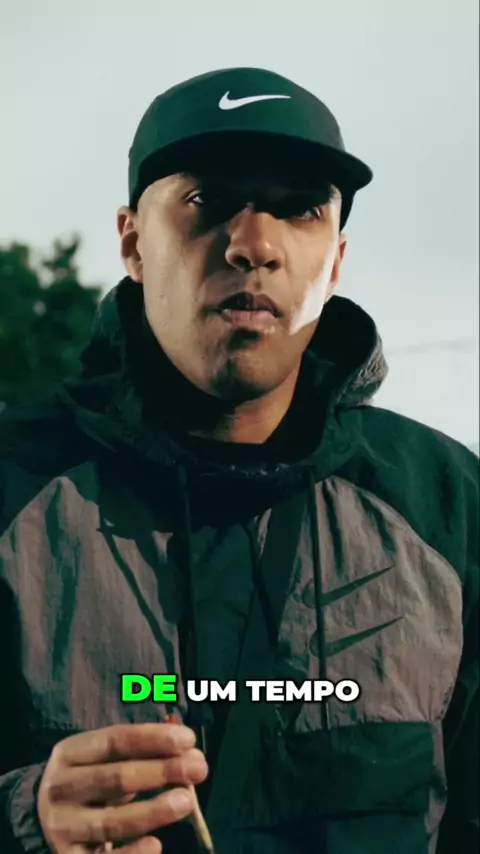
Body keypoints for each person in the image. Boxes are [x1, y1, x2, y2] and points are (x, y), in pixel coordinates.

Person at [0, 66, 478, 854]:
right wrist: (24, 818)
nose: (253, 245)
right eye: (207, 199)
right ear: (133, 242)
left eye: (301, 208)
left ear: (336, 260)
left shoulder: (447, 506)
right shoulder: (15, 490)